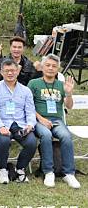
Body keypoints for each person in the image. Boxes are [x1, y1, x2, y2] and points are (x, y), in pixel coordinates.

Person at [28, 54, 80, 189]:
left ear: (57, 69)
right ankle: (48, 171)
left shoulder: (61, 85)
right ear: (42, 67)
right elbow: (27, 106)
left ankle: (69, 173)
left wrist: (68, 93)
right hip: (39, 119)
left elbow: (69, 106)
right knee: (46, 135)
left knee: (66, 136)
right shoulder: (34, 83)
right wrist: (40, 118)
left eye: (54, 66)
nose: (50, 68)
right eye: (48, 65)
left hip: (57, 120)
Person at [0, 59, 37, 184]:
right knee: (4, 140)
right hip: (1, 123)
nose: (10, 73)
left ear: (17, 72)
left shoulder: (26, 90)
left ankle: (20, 168)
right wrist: (0, 126)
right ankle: (2, 169)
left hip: (21, 124)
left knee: (31, 142)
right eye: (7, 71)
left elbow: (30, 110)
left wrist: (30, 125)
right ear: (2, 72)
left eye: (13, 70)